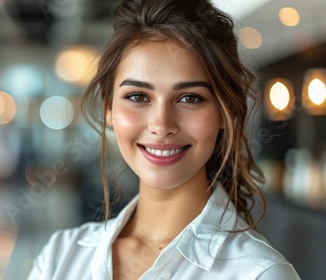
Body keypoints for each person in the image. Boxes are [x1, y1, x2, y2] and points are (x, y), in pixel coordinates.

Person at [28, 0, 300, 279]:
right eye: (137, 96)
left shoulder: (258, 273)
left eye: (190, 98)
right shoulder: (60, 257)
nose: (161, 125)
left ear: (225, 112)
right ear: (109, 108)